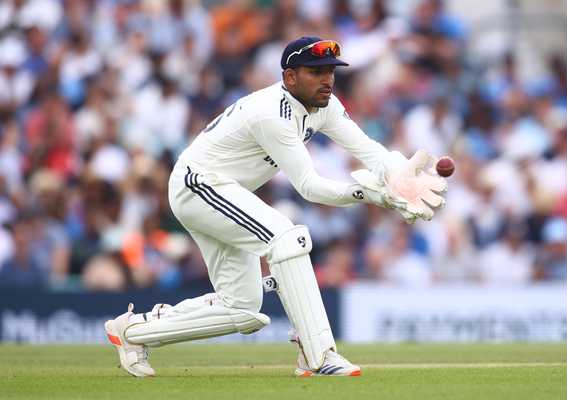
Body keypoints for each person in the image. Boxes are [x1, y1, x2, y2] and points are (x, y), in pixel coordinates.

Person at [104, 36, 447, 378]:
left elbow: (369, 150)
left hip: (223, 191)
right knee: (287, 238)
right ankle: (318, 354)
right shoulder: (272, 114)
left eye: (330, 72)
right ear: (290, 77)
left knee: (242, 310)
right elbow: (309, 186)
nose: (327, 80)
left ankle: (132, 331)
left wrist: (399, 175)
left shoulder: (325, 105)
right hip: (198, 185)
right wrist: (373, 195)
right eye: (316, 72)